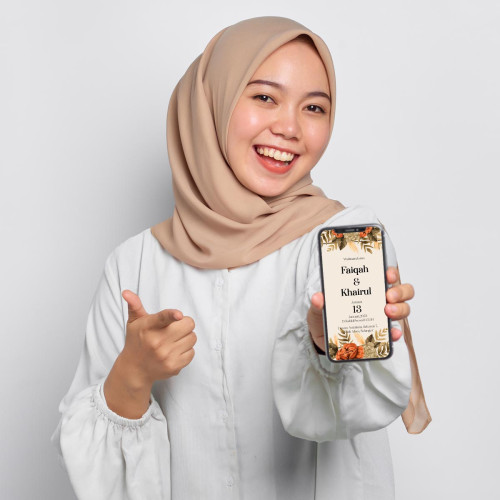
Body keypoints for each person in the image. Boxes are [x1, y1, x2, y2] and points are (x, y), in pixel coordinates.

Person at [52, 16, 431, 500]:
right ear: (212, 101)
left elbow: (359, 411)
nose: (290, 128)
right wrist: (132, 375)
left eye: (314, 107)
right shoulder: (135, 264)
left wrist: (325, 350)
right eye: (265, 97)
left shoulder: (343, 241)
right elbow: (96, 475)